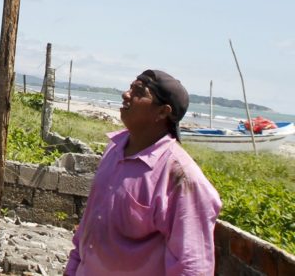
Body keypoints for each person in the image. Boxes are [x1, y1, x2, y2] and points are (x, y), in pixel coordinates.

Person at [66, 69, 222, 275]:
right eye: (130, 88)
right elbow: (90, 222)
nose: (126, 94)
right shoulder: (114, 149)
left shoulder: (181, 176)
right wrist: (72, 267)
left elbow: (192, 265)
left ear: (162, 112)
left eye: (139, 91)